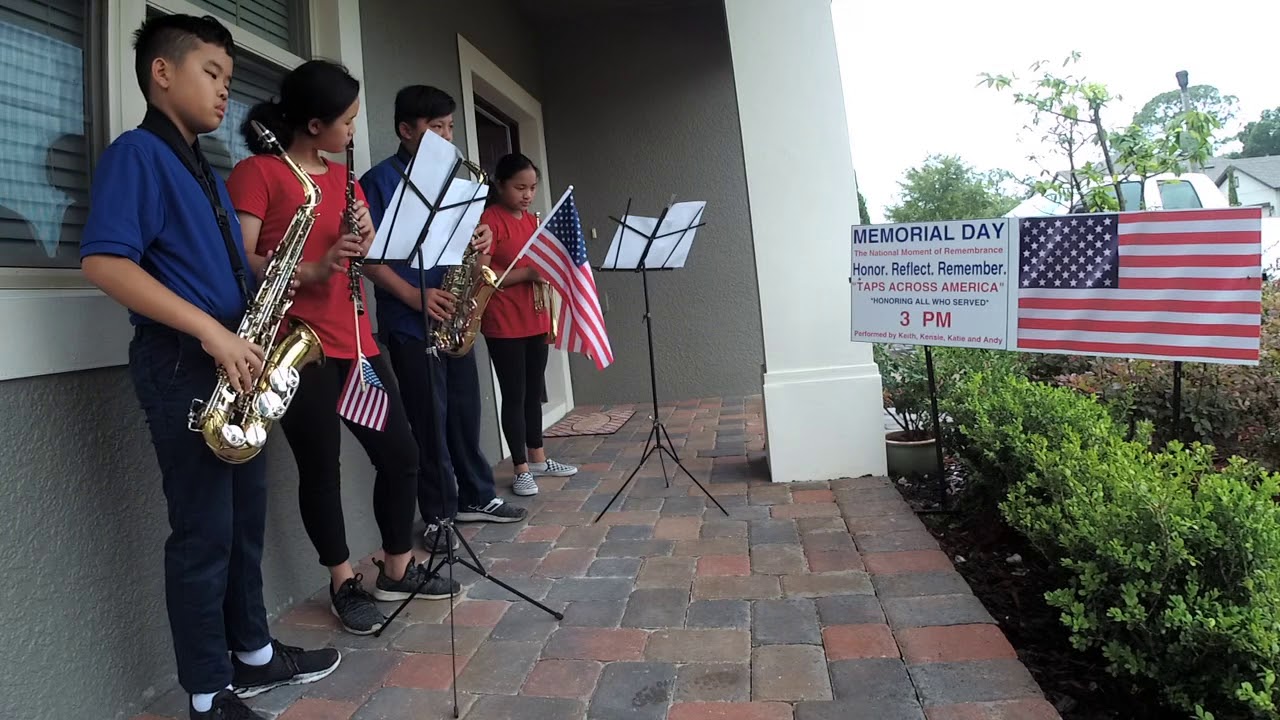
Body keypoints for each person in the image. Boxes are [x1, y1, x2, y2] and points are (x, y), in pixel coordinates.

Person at [80, 14, 340, 719]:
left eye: (229, 77)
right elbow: (105, 262)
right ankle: (205, 693)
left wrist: (273, 294)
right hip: (186, 365)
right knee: (203, 536)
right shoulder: (138, 154)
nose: (226, 90)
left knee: (243, 520)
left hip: (234, 360)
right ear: (162, 72)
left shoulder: (200, 165)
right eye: (212, 73)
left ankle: (252, 654)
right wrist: (211, 334)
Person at [226, 60, 459, 638]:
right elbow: (240, 263)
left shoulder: (346, 181)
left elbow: (365, 256)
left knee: (402, 455)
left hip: (357, 343)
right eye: (347, 120)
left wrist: (364, 239)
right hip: (295, 349)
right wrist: (313, 268)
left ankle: (397, 566)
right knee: (320, 470)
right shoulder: (258, 173)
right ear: (313, 123)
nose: (353, 131)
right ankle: (342, 580)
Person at [362, 85, 528, 554]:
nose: (448, 136)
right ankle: (437, 515)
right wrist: (415, 296)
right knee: (428, 420)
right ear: (405, 130)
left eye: (451, 127)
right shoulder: (379, 182)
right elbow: (368, 259)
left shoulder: (458, 182)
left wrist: (482, 242)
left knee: (463, 410)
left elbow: (473, 244)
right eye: (437, 128)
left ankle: (477, 495)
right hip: (410, 319)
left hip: (455, 310)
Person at [479, 153, 580, 497]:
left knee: (534, 390)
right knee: (515, 393)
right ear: (500, 185)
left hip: (534, 314)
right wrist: (528, 274)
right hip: (504, 319)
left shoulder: (531, 219)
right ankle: (520, 467)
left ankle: (538, 456)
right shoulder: (489, 220)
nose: (527, 194)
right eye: (520, 187)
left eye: (532, 187)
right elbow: (482, 274)